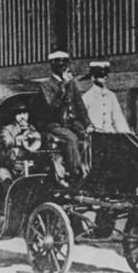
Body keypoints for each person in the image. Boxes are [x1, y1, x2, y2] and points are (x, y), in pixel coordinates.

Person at [38, 51, 90, 184]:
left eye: (65, 63)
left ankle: (88, 169)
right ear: (53, 65)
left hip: (70, 123)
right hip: (54, 124)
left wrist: (88, 124)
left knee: (88, 136)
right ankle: (75, 174)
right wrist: (64, 86)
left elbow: (80, 106)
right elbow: (53, 106)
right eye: (60, 64)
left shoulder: (71, 84)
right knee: (70, 139)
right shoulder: (46, 85)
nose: (64, 67)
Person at [82, 61, 131, 133]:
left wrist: (127, 134)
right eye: (101, 75)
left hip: (110, 135)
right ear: (93, 77)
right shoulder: (86, 97)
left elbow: (118, 119)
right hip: (94, 136)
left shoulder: (111, 96)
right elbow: (82, 119)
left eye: (106, 74)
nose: (105, 77)